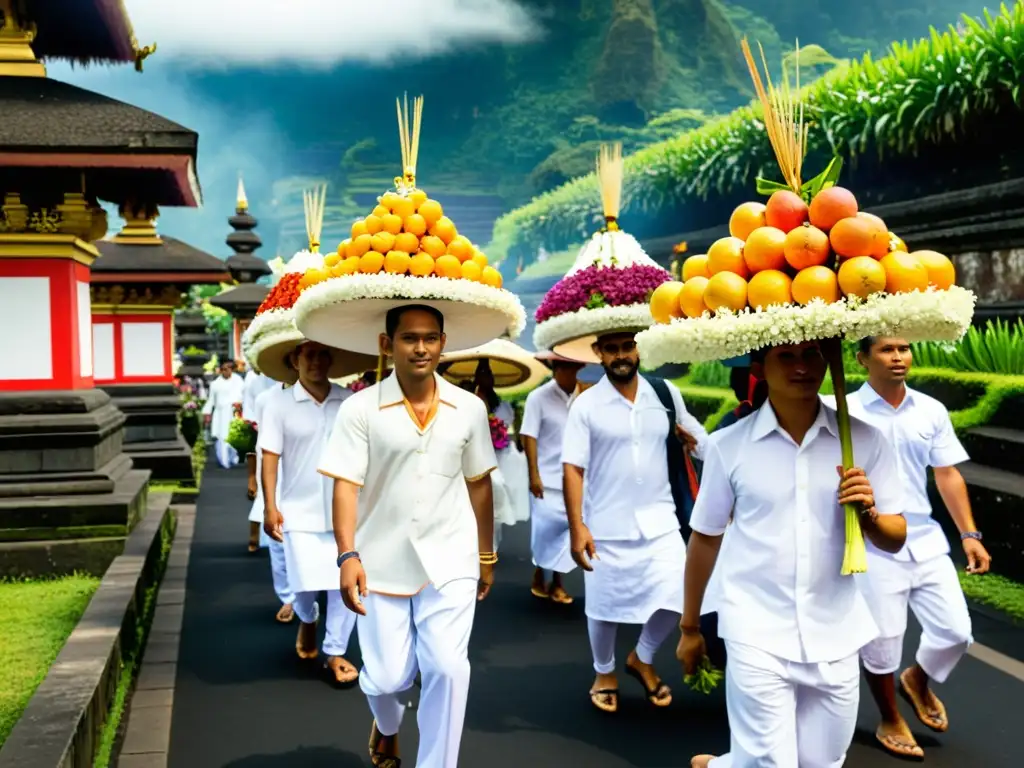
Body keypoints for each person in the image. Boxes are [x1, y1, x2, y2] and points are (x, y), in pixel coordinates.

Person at [679, 339, 908, 768]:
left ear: (828, 362)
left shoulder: (864, 440)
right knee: (772, 765)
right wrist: (690, 627)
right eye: (786, 356)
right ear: (759, 367)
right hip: (755, 629)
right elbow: (706, 538)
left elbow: (895, 536)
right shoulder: (728, 446)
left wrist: (870, 514)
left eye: (812, 355)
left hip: (837, 631)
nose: (801, 366)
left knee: (821, 763)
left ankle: (725, 766)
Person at [319, 304, 498, 768]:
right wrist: (347, 555)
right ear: (387, 344)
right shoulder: (360, 409)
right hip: (379, 559)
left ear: (443, 342)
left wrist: (486, 555)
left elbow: (479, 483)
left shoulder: (470, 408)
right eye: (409, 338)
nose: (421, 347)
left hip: (451, 557)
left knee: (448, 667)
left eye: (431, 338)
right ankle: (388, 724)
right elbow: (345, 486)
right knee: (386, 678)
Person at [829, 336, 991, 759]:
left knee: (956, 633)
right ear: (862, 358)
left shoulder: (931, 410)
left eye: (904, 348)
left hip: (925, 539)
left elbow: (947, 474)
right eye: (886, 350)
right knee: (882, 643)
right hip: (871, 540)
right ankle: (889, 717)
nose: (898, 356)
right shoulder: (840, 411)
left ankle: (917, 679)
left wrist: (969, 535)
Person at [562, 330, 708, 713]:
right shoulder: (586, 405)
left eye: (627, 346)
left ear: (638, 348)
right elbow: (573, 468)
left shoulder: (663, 394)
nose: (621, 355)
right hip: (605, 523)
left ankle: (641, 657)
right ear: (599, 353)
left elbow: (694, 432)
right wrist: (577, 526)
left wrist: (710, 450)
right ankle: (604, 672)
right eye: (612, 349)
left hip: (661, 520)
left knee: (679, 596)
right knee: (603, 607)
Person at [259, 341, 359, 685]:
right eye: (308, 354)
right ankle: (307, 618)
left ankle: (335, 652)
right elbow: (269, 457)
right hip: (298, 511)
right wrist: (270, 505)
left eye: (322, 354)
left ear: (332, 359)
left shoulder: (349, 401)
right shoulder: (278, 404)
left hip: (345, 511)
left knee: (343, 585)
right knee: (302, 584)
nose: (316, 361)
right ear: (294, 360)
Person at [521, 356, 585, 604]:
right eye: (563, 368)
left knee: (570, 531)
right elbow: (529, 436)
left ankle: (558, 582)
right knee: (544, 531)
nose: (568, 373)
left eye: (573, 367)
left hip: (576, 478)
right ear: (555, 370)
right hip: (546, 479)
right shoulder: (538, 397)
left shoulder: (585, 397)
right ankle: (540, 570)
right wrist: (533, 474)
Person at [248, 379, 295, 624]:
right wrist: (260, 487)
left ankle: (313, 596)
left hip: (315, 480)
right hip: (276, 476)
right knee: (279, 542)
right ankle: (288, 596)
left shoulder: (338, 398)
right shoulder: (267, 399)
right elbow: (261, 444)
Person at [474, 359, 530, 552]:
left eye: (488, 373)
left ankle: (491, 549)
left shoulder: (500, 401)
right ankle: (484, 549)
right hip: (481, 456)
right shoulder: (473, 399)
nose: (485, 377)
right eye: (481, 372)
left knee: (499, 503)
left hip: (502, 455)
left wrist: (498, 434)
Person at [202, 360, 246, 469]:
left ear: (232, 369)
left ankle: (232, 458)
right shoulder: (216, 384)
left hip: (234, 413)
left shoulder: (239, 381)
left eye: (227, 369)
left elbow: (243, 397)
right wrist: (207, 413)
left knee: (234, 437)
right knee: (222, 437)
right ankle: (223, 460)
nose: (225, 372)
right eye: (222, 369)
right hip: (220, 414)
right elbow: (211, 400)